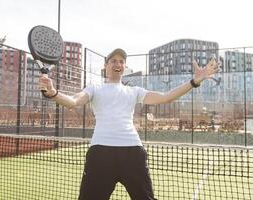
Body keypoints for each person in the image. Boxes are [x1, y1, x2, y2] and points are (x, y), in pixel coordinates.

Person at [39, 48, 219, 200]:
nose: (118, 64)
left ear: (124, 67)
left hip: (132, 152)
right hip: (100, 153)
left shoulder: (134, 91)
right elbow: (73, 101)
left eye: (121, 61)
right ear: (106, 65)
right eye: (114, 61)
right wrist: (53, 93)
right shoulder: (95, 88)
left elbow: (166, 97)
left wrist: (194, 81)